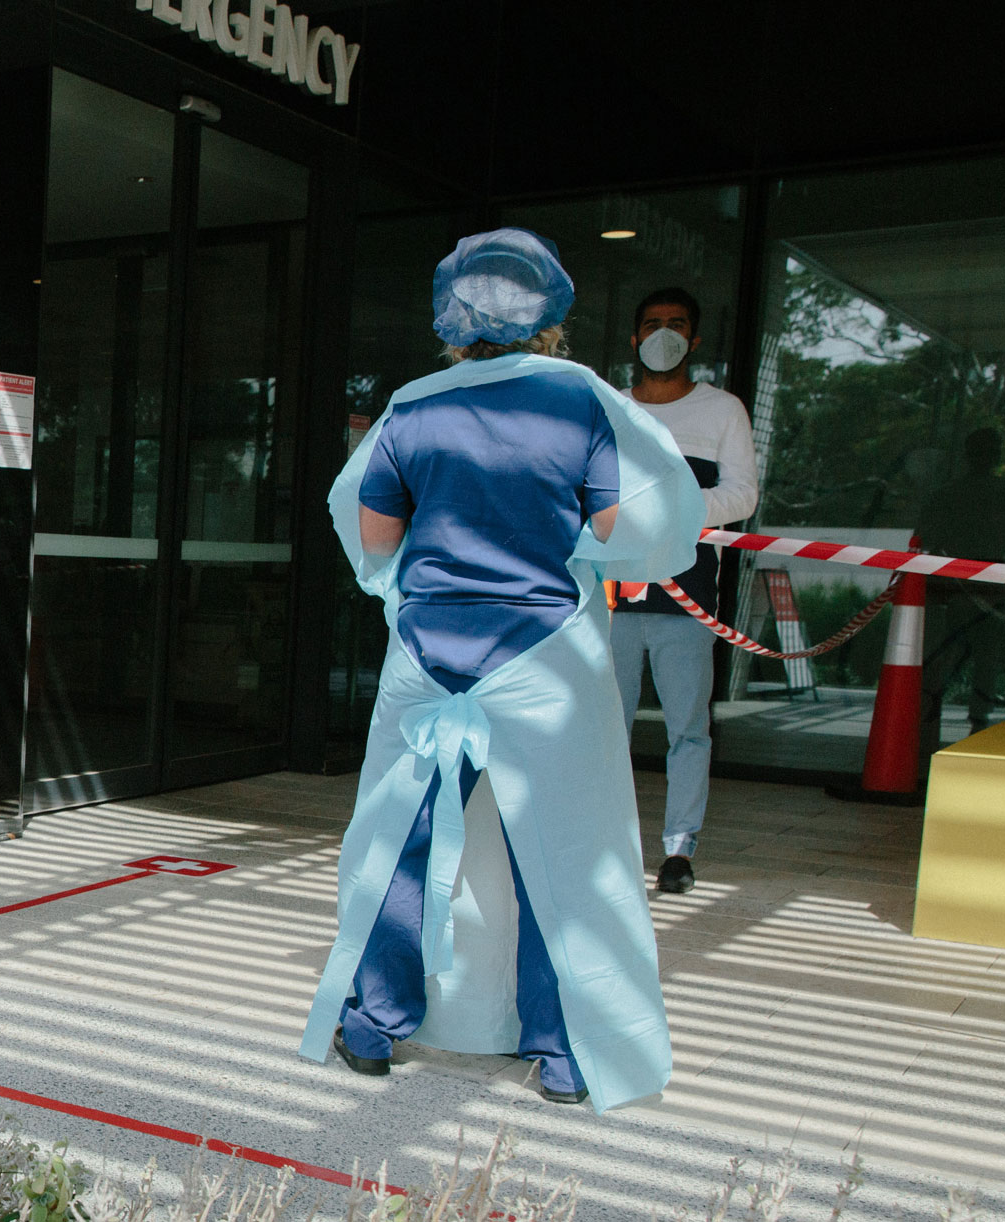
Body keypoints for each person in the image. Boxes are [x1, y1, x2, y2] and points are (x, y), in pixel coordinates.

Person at [299, 229, 706, 1111]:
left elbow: (374, 544)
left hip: (426, 656)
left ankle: (372, 1026)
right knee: (560, 848)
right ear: (550, 319)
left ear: (452, 317)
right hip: (544, 657)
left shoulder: (413, 406)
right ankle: (562, 1053)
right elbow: (624, 533)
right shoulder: (579, 403)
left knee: (401, 842)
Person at [608, 289, 758, 895]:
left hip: (688, 596)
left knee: (688, 727)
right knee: (604, 726)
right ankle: (607, 844)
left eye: (676, 326)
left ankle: (678, 849)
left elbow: (742, 495)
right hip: (611, 597)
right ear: (634, 336)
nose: (662, 335)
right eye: (652, 324)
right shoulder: (611, 406)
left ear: (694, 340)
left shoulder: (722, 410)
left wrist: (675, 510)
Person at [918, 427, 1005, 748]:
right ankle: (977, 722)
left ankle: (930, 716)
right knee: (984, 655)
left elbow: (925, 537)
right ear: (996, 455)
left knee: (944, 652)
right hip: (986, 580)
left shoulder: (948, 493)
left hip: (953, 580)